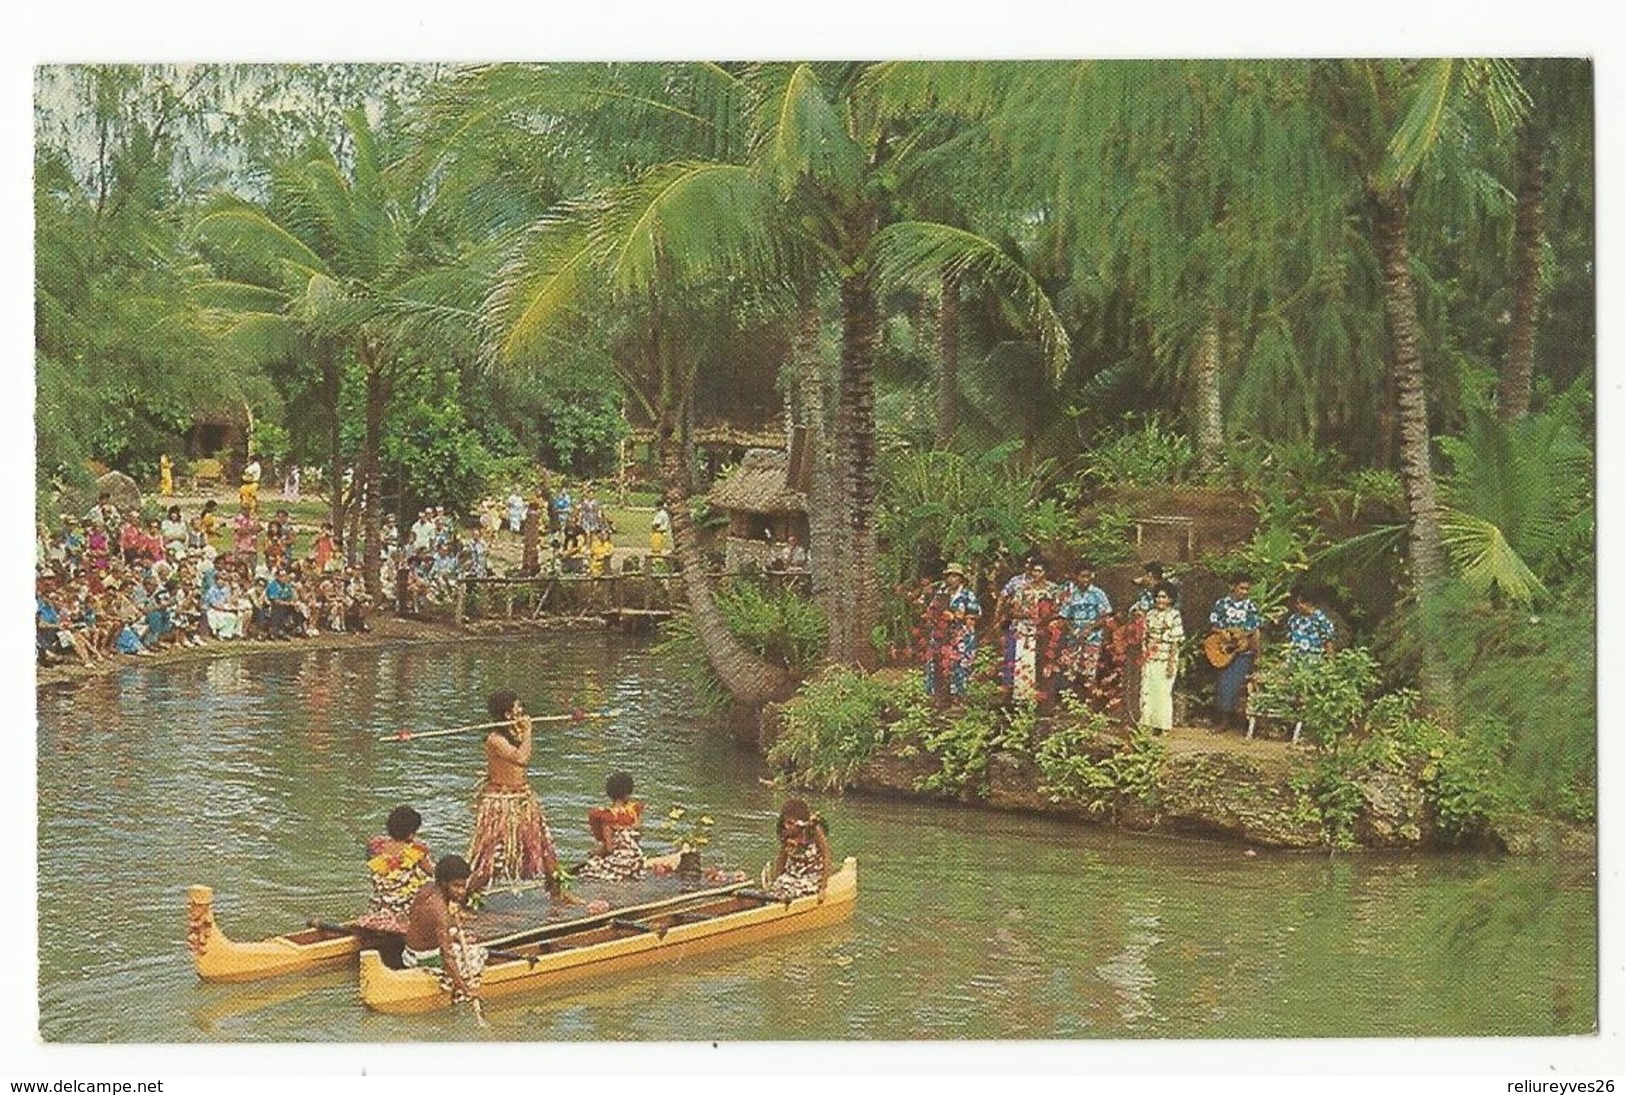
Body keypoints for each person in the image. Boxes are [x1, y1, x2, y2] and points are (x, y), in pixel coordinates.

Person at [467, 690, 562, 895]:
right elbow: (521, 758)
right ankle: (462, 897)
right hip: (502, 803)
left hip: (523, 799)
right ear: (508, 714)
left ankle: (558, 891)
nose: (522, 710)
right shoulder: (495, 739)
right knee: (493, 858)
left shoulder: (513, 734)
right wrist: (528, 731)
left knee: (546, 846)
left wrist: (523, 731)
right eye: (518, 707)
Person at [403, 855, 488, 1021]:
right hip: (424, 961)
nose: (462, 891)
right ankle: (457, 996)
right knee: (480, 952)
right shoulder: (439, 912)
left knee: (460, 942)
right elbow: (447, 956)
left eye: (463, 886)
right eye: (456, 886)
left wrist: (452, 931)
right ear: (443, 883)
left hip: (408, 954)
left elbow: (421, 922)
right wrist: (465, 989)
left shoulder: (426, 889)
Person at [355, 805, 435, 934]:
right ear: (411, 833)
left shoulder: (375, 847)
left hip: (380, 905)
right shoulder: (416, 851)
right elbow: (433, 873)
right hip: (404, 909)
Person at [991, 552, 1060, 703]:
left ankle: (1043, 698)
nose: (1036, 574)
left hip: (1044, 631)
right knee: (1022, 660)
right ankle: (1021, 696)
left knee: (1042, 662)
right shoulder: (1023, 588)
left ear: (1045, 572)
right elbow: (1013, 610)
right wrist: (1028, 614)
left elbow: (1058, 610)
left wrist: (1045, 619)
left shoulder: (1053, 589)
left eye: (1040, 571)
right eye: (1034, 571)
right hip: (1023, 629)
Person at [1209, 574, 1262, 732]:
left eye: (1247, 589)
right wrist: (1223, 632)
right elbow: (1213, 624)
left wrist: (1245, 636)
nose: (1245, 591)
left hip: (1243, 652)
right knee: (1224, 684)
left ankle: (1239, 722)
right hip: (1224, 650)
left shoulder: (1251, 607)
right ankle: (1224, 721)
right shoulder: (1221, 604)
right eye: (1241, 588)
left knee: (1238, 685)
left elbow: (1255, 628)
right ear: (1233, 587)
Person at [923, 562, 981, 703]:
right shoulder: (941, 594)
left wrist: (956, 617)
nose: (952, 579)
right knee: (938, 663)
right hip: (941, 634)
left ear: (961, 579)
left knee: (959, 665)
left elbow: (975, 614)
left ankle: (959, 697)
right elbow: (931, 611)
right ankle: (941, 696)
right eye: (949, 576)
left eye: (955, 576)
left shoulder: (967, 595)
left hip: (960, 635)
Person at [1053, 562, 1112, 699]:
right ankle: (1071, 700)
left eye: (1087, 577)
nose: (1085, 580)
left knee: (1089, 669)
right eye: (1082, 577)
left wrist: (1089, 629)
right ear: (1076, 577)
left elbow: (1105, 616)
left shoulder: (1098, 594)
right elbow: (1064, 616)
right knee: (1070, 669)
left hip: (1093, 637)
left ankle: (1089, 701)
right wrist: (1073, 630)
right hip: (1074, 638)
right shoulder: (1071, 595)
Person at [577, 772, 647, 882]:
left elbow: (609, 848)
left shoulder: (608, 817)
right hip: (636, 861)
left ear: (610, 794)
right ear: (628, 793)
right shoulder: (634, 812)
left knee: (588, 869)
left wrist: (595, 853)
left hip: (620, 863)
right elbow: (636, 834)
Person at [1139, 583, 1185, 733]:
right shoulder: (1150, 614)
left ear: (1170, 599)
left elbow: (1176, 641)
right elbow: (1144, 636)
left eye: (1163, 597)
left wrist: (1172, 663)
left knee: (1163, 692)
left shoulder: (1174, 615)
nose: (1160, 600)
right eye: (1158, 596)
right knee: (1147, 690)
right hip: (1150, 657)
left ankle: (1163, 726)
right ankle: (1147, 724)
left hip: (1166, 658)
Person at [767, 799, 831, 901]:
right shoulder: (787, 833)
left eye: (790, 823)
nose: (786, 826)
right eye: (785, 822)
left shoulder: (814, 831)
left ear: (801, 824)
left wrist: (823, 888)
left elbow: (826, 855)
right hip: (792, 874)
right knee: (777, 889)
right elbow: (781, 859)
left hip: (811, 877)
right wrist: (776, 880)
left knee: (791, 891)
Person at [1284, 588, 1336, 660]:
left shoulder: (1320, 620)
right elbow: (1288, 642)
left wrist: (1332, 664)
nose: (1298, 606)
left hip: (1314, 662)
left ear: (1308, 603)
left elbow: (1328, 644)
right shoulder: (1293, 620)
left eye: (1300, 603)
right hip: (1295, 662)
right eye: (1296, 604)